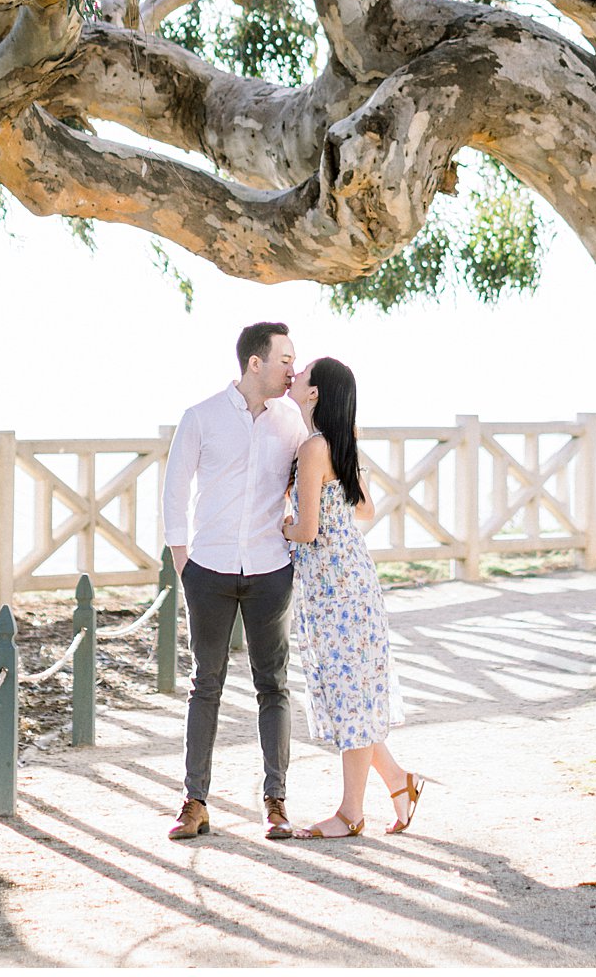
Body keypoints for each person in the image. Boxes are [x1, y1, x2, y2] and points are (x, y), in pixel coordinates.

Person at [161, 321, 305, 841]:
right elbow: (174, 492)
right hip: (210, 571)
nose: (293, 368)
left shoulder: (292, 422)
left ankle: (276, 803)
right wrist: (185, 566)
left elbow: (315, 474)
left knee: (274, 686)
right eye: (285, 359)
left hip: (270, 570)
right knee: (207, 685)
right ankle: (194, 803)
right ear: (255, 363)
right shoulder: (200, 417)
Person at [283, 356, 425, 839]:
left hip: (333, 590)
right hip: (353, 583)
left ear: (315, 392)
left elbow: (305, 529)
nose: (294, 375)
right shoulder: (337, 443)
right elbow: (362, 507)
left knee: (350, 697)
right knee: (356, 697)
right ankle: (400, 783)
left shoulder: (312, 447)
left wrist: (280, 525)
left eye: (302, 373)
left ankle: (350, 813)